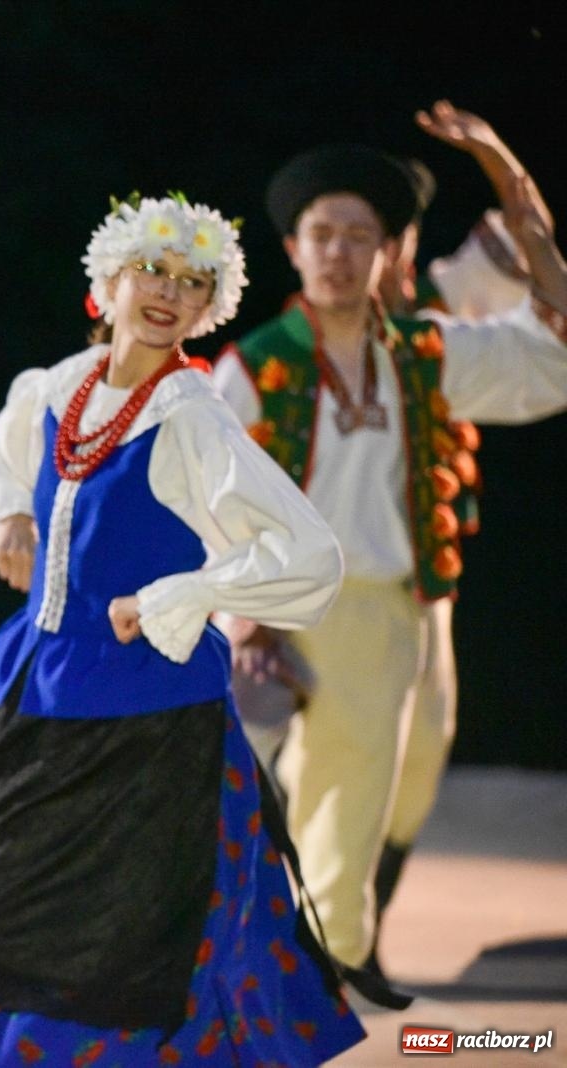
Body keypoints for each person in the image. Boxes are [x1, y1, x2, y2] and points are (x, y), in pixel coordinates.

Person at [0, 194, 363, 1066]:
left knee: (115, 926)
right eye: (152, 270)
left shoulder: (190, 417)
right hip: (36, 684)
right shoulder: (58, 388)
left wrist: (172, 600)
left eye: (193, 282)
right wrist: (6, 516)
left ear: (208, 307)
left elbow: (308, 553)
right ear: (108, 281)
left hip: (146, 711)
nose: (168, 292)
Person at [212, 110, 567, 980]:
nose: (339, 253)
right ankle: (329, 958)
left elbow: (553, 350)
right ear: (293, 250)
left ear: (390, 250)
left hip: (410, 601)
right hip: (305, 603)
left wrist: (505, 171)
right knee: (348, 785)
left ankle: (334, 938)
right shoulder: (254, 368)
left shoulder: (428, 342)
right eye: (321, 235)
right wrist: (245, 621)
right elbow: (206, 506)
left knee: (407, 773)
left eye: (359, 235)